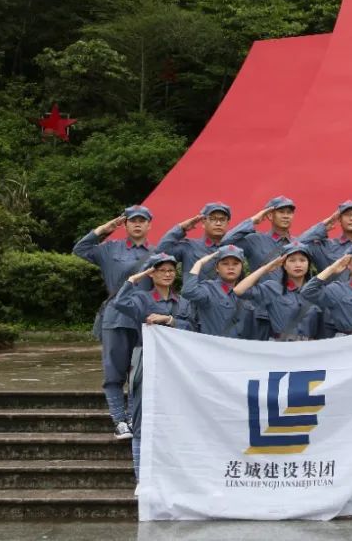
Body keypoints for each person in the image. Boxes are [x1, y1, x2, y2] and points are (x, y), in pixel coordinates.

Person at [110, 253, 196, 481]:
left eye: (171, 270)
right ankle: (142, 479)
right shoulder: (141, 298)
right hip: (147, 362)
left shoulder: (183, 302)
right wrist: (135, 278)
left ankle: (174, 477)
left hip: (177, 365)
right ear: (152, 273)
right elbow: (119, 303)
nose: (167, 274)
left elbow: (194, 329)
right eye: (161, 270)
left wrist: (170, 320)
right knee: (141, 420)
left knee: (176, 418)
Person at [72, 205, 154, 440]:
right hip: (116, 318)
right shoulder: (110, 249)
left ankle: (135, 417)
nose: (137, 224)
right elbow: (80, 249)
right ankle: (119, 420)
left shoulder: (156, 253)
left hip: (145, 320)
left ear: (149, 225)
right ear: (125, 224)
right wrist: (105, 228)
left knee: (141, 374)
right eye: (132, 220)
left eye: (142, 220)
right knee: (114, 373)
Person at [234, 242, 321, 341]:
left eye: (302, 260)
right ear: (284, 265)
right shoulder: (272, 288)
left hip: (308, 347)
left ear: (308, 264)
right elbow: (238, 290)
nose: (298, 265)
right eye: (292, 260)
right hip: (281, 346)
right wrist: (266, 268)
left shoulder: (316, 291)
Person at [182, 245, 258, 339]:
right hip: (212, 346)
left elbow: (252, 330)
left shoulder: (247, 293)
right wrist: (199, 263)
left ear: (241, 267)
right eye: (225, 264)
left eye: (235, 264)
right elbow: (188, 291)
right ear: (217, 268)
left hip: (239, 346)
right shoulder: (208, 289)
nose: (231, 267)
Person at [222, 196, 297, 283]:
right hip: (261, 291)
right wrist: (252, 221)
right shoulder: (254, 240)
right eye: (281, 212)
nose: (286, 216)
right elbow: (224, 243)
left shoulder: (297, 243)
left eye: (289, 212)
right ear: (270, 215)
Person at [157, 202, 232, 281]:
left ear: (228, 222)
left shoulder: (233, 247)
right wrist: (181, 228)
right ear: (203, 222)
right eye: (213, 219)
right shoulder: (189, 246)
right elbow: (161, 252)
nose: (218, 223)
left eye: (222, 219)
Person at [297, 200, 352, 273]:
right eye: (347, 214)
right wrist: (323, 226)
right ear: (339, 219)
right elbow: (297, 245)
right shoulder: (326, 247)